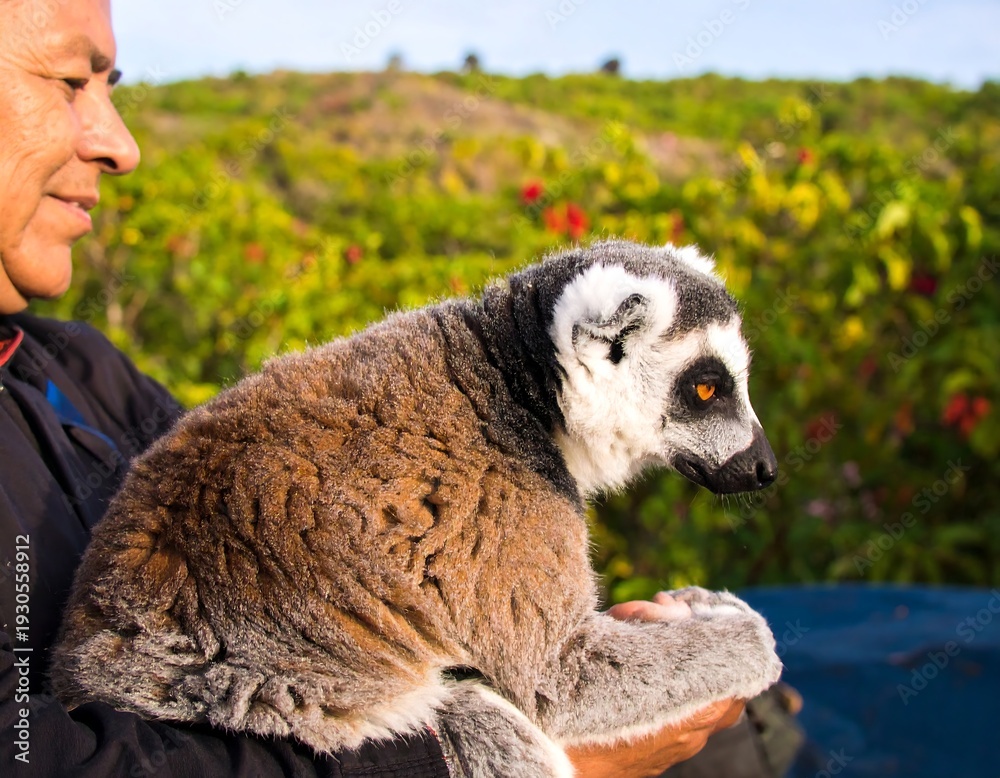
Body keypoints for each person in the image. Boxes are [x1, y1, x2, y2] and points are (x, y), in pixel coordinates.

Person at [0, 0, 752, 774]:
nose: (120, 145)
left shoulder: (76, 369)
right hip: (254, 708)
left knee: (743, 750)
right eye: (68, 81)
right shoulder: (488, 453)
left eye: (112, 86)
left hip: (285, 688)